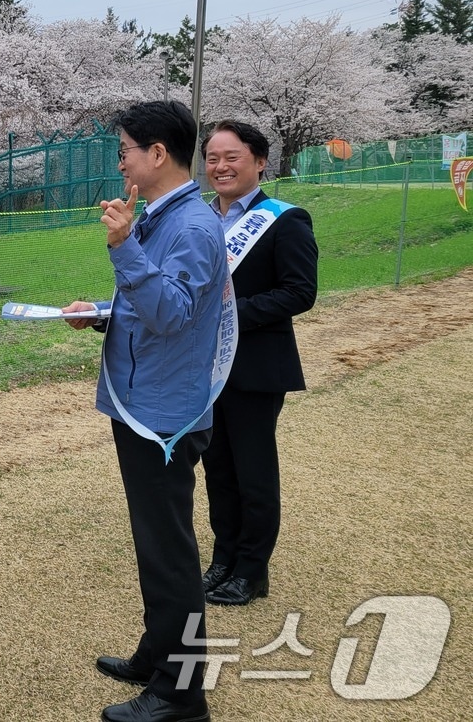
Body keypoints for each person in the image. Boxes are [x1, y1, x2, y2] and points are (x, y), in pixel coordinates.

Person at [62, 101, 227, 722]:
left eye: (127, 149)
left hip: (162, 417)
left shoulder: (190, 227)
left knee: (169, 553)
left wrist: (124, 246)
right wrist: (102, 310)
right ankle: (157, 654)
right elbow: (150, 303)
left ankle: (181, 695)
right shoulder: (169, 215)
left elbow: (172, 313)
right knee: (154, 543)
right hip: (144, 403)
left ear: (159, 154)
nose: (122, 161)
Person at [199, 121, 318, 607]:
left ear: (260, 161)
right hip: (204, 368)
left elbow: (299, 292)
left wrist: (229, 317)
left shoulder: (285, 219)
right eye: (211, 158)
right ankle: (223, 559)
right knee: (217, 469)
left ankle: (252, 570)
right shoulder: (200, 220)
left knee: (253, 470)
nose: (220, 167)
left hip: (254, 366)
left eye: (232, 157)